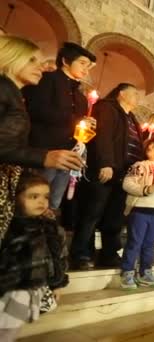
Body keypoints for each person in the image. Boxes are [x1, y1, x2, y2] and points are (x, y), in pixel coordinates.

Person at [0, 36, 83, 239]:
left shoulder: (13, 94)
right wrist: (44, 157)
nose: (42, 66)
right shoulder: (3, 90)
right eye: (32, 60)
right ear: (11, 58)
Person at [70, 83, 145, 270]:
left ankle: (109, 254)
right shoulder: (106, 108)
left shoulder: (131, 118)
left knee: (114, 217)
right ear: (121, 93)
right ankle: (80, 253)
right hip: (106, 169)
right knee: (92, 213)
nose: (138, 97)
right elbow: (103, 136)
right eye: (134, 93)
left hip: (123, 175)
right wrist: (106, 163)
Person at [22, 42, 96, 215]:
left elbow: (78, 125)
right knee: (33, 199)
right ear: (65, 61)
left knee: (53, 203)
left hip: (68, 155)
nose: (86, 69)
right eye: (83, 63)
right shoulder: (47, 79)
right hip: (44, 151)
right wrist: (75, 119)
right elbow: (36, 110)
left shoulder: (81, 96)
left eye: (89, 66)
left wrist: (86, 127)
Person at [0, 172, 69, 341]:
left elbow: (58, 257)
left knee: (10, 329)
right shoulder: (7, 225)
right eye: (33, 196)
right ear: (15, 198)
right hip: (7, 289)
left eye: (46, 196)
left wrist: (57, 284)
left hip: (28, 290)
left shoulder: (51, 228)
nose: (42, 201)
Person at [120, 137, 154, 289]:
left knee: (150, 245)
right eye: (149, 145)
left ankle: (145, 272)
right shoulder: (139, 166)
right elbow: (127, 183)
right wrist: (143, 190)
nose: (150, 147)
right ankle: (127, 272)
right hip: (140, 210)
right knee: (134, 242)